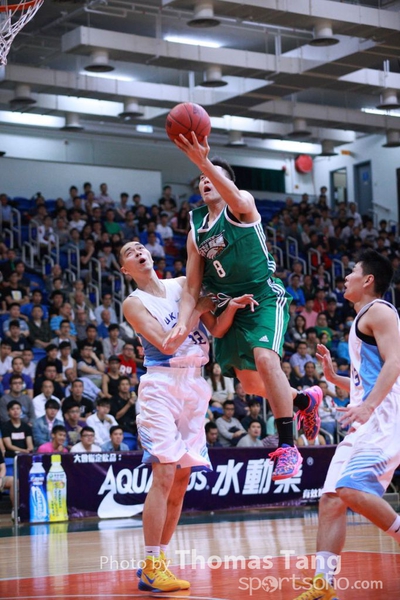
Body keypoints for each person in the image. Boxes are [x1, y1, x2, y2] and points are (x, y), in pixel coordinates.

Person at [163, 138, 321, 479]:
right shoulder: (196, 230)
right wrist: (183, 322)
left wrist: (204, 162)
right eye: (201, 179)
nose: (205, 181)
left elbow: (236, 197)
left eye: (212, 177)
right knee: (250, 386)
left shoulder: (242, 206)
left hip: (261, 297)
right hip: (228, 305)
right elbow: (192, 287)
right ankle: (304, 401)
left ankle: (287, 447)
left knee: (265, 359)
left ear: (226, 182)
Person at [120, 239, 256, 592]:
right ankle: (151, 563)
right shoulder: (134, 303)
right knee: (164, 473)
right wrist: (194, 309)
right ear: (125, 269)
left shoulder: (182, 284)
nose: (138, 252)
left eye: (140, 247)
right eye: (129, 253)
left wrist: (227, 307)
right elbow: (166, 343)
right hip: (162, 384)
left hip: (195, 384)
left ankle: (158, 563)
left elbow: (216, 325)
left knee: (181, 480)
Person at [293, 249, 400, 600]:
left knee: (351, 489)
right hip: (365, 420)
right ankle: (323, 584)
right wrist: (333, 377)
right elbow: (365, 379)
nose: (346, 277)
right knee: (331, 500)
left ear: (367, 280)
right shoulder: (361, 320)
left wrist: (368, 406)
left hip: (385, 417)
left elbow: (395, 362)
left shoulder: (380, 311)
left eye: (352, 271)